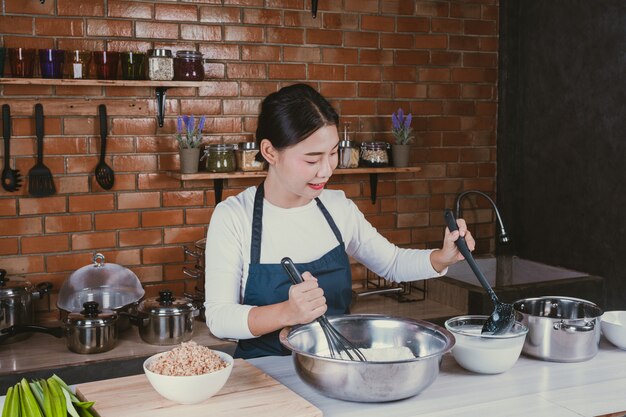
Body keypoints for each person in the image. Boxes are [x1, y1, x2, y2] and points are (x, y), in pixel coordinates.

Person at [204, 83, 475, 359]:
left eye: (333, 153)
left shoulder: (337, 207)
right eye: (312, 160)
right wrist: (287, 311)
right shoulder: (234, 217)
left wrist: (442, 257)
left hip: (335, 369)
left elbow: (392, 263)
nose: (326, 171)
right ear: (270, 152)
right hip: (264, 377)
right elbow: (219, 317)